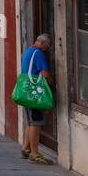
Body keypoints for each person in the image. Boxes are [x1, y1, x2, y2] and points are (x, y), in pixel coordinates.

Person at [20, 33, 55, 165]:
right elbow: (45, 74)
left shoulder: (28, 51)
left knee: (30, 122)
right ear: (42, 43)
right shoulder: (39, 54)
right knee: (36, 123)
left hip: (26, 91)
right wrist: (52, 84)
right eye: (47, 46)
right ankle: (34, 154)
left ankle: (26, 148)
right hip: (34, 94)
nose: (47, 50)